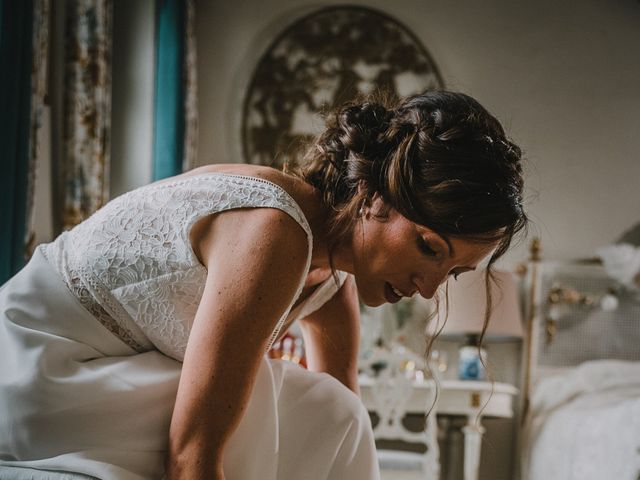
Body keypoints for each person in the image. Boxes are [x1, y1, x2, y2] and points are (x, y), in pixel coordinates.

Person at [0, 91, 527, 480]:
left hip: (90, 383)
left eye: (453, 272)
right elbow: (193, 455)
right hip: (34, 369)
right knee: (275, 400)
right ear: (374, 198)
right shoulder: (276, 230)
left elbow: (340, 418)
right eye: (430, 248)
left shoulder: (331, 280)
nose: (430, 288)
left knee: (327, 408)